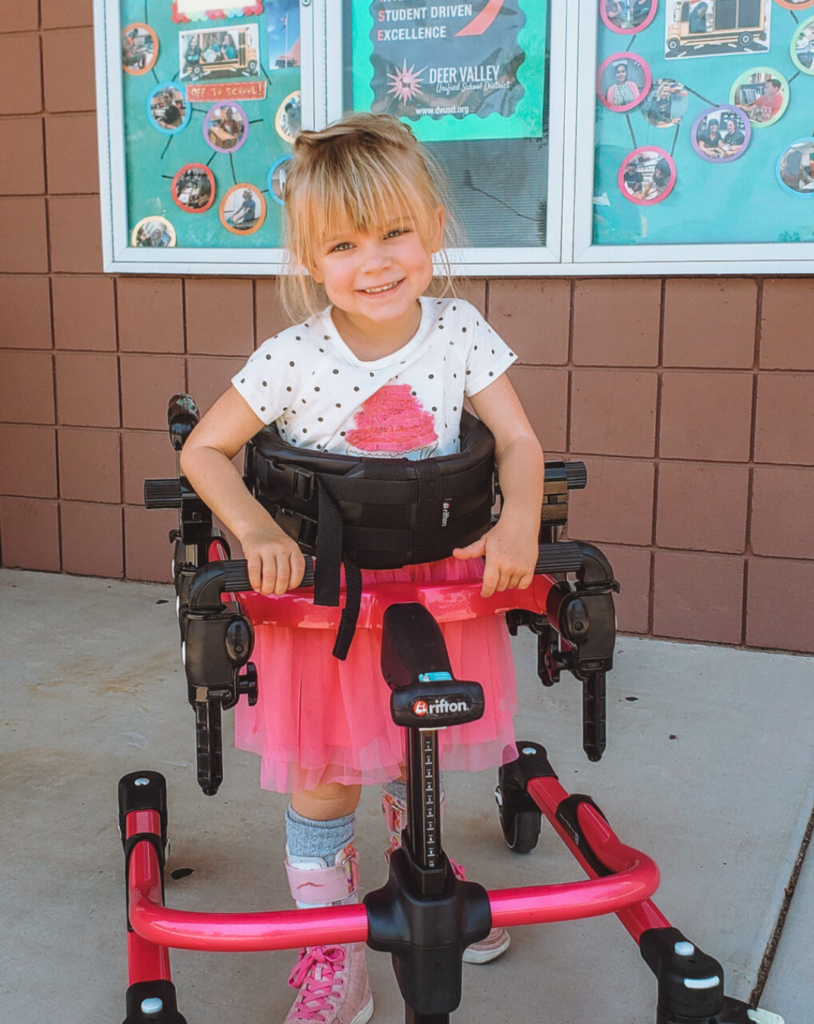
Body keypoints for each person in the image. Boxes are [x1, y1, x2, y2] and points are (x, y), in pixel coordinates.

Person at [179, 113, 543, 1024]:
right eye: (343, 244)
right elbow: (206, 452)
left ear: (431, 223)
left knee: (410, 753)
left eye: (395, 231)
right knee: (328, 775)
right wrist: (257, 525)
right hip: (325, 606)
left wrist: (520, 525)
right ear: (309, 259)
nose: (374, 261)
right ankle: (333, 945)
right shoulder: (294, 356)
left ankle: (421, 877)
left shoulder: (457, 330)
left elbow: (518, 439)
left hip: (434, 593)